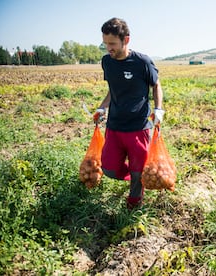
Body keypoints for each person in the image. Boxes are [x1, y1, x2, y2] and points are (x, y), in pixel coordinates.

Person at [93, 17, 165, 209]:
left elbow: (156, 84)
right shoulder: (107, 62)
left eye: (113, 43)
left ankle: (135, 201)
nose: (109, 48)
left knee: (137, 168)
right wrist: (102, 107)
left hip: (138, 126)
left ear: (126, 40)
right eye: (105, 43)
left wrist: (158, 109)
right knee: (108, 168)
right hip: (115, 125)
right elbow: (113, 89)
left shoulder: (142, 62)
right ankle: (141, 177)